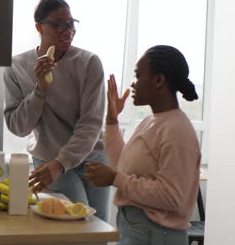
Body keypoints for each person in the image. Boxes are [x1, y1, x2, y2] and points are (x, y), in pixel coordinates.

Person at [3, 0, 109, 221]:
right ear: (39, 27)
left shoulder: (89, 62)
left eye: (71, 24)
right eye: (59, 24)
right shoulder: (16, 67)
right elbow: (18, 127)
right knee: (77, 225)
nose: (67, 31)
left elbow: (91, 123)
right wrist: (40, 88)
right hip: (48, 158)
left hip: (92, 157)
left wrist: (61, 163)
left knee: (99, 229)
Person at [84, 45, 201, 245]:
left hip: (155, 235)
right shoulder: (151, 121)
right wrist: (112, 120)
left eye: (138, 76)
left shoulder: (177, 130)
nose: (133, 83)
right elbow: (121, 165)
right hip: (137, 229)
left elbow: (171, 197)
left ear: (158, 80)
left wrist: (115, 178)